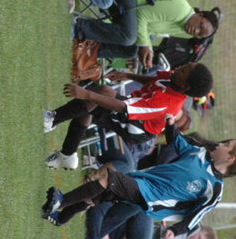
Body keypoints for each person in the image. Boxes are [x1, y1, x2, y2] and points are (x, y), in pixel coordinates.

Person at [41, 115, 236, 239]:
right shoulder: (199, 154)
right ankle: (61, 217)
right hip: (141, 180)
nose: (220, 144)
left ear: (229, 158)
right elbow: (177, 142)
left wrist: (175, 230)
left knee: (108, 179)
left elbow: (195, 217)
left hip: (150, 200)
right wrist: (170, 126)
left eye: (226, 145)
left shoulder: (214, 189)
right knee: (97, 196)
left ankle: (61, 201)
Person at [43, 63, 214, 170]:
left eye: (184, 70)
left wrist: (86, 94)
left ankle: (51, 120)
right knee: (90, 108)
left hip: (138, 128)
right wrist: (128, 76)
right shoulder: (175, 78)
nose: (180, 67)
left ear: (184, 86)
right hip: (134, 110)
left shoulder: (167, 102)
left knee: (101, 94)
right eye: (185, 66)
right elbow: (154, 82)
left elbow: (125, 108)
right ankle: (67, 155)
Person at [73, 0, 221, 67]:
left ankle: (84, 52)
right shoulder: (180, 10)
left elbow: (147, 28)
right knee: (129, 37)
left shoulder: (182, 27)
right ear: (199, 15)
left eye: (199, 34)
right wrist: (145, 45)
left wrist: (148, 48)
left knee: (131, 50)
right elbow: (142, 15)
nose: (195, 31)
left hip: (132, 5)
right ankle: (78, 27)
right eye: (200, 26)